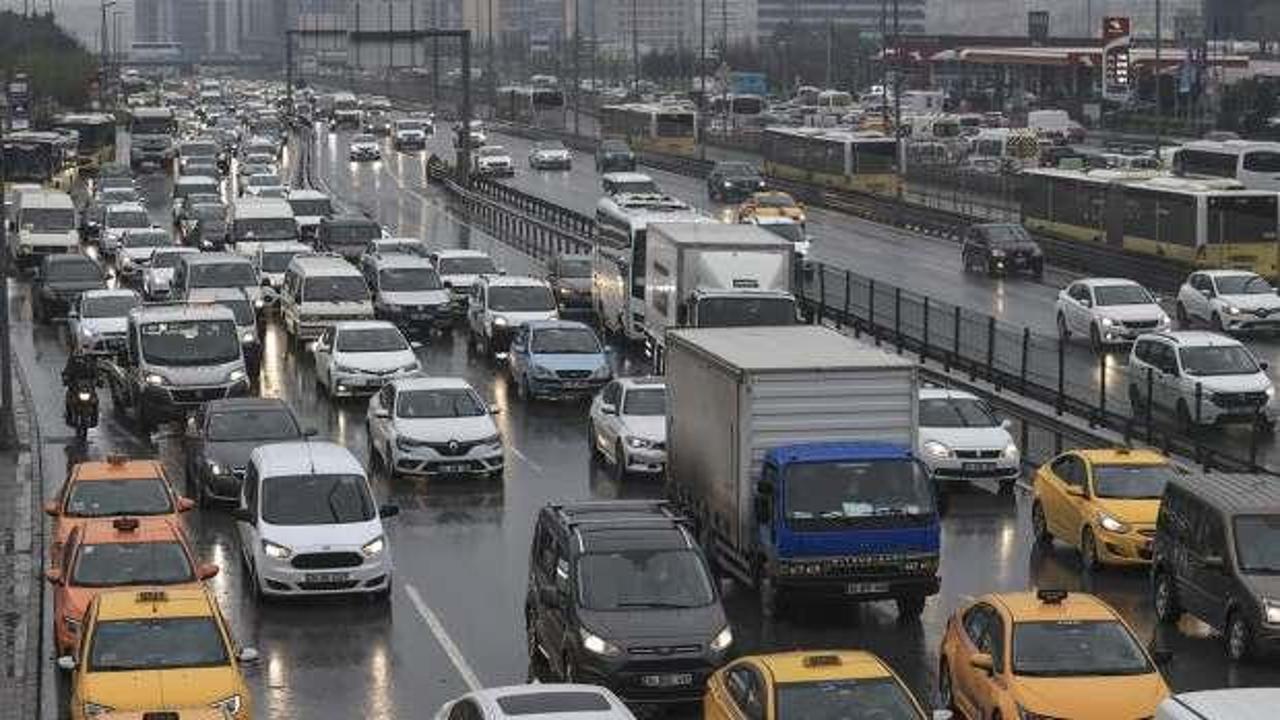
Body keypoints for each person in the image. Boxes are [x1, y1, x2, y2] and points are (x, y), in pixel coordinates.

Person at [62, 352, 98, 426]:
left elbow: (96, 373)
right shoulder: (72, 363)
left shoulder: (90, 364)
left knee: (95, 400)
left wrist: (99, 380)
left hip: (88, 388)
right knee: (69, 397)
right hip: (75, 387)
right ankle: (69, 415)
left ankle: (94, 416)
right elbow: (66, 372)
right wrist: (66, 379)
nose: (80, 359)